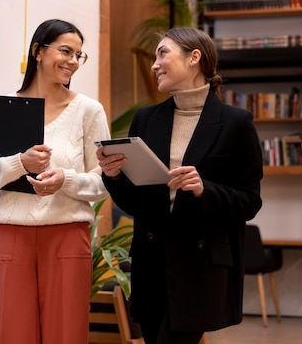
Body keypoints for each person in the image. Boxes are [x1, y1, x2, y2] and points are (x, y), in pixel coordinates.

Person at [96, 27, 263, 344]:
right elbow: (135, 204)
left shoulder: (237, 122)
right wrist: (113, 174)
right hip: (151, 263)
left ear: (194, 58)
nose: (154, 64)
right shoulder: (146, 119)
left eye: (163, 53)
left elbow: (249, 202)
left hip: (199, 267)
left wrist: (205, 189)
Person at [0, 19, 110, 343]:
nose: (72, 61)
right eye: (65, 51)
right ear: (38, 52)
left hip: (68, 236)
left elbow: (104, 182)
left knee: (66, 334)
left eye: (78, 55)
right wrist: (19, 164)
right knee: (13, 334)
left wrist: (65, 180)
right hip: (11, 236)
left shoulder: (88, 111)